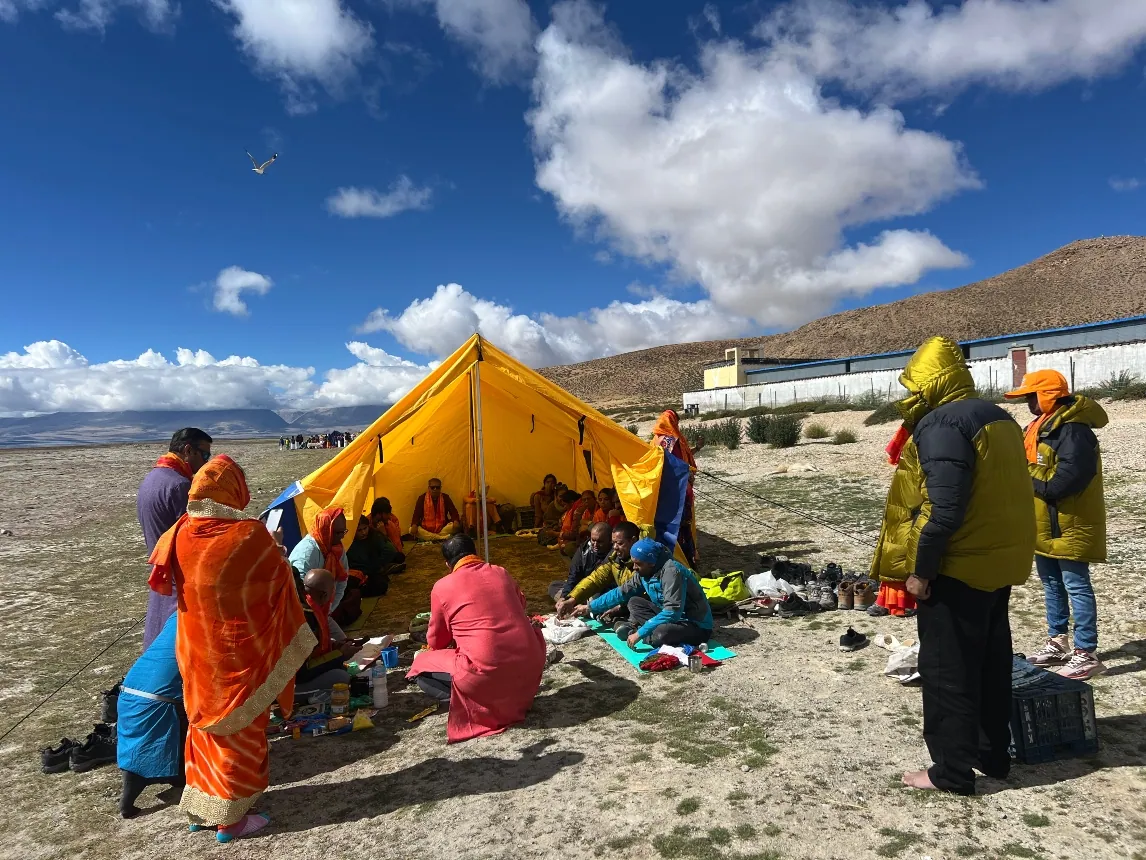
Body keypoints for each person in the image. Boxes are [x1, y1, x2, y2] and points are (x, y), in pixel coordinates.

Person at [870, 337, 1035, 795]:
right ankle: (992, 754)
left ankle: (950, 772)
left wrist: (922, 571)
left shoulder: (943, 423)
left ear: (930, 382)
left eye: (913, 384)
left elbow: (943, 509)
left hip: (958, 566)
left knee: (948, 671)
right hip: (999, 560)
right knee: (991, 661)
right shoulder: (997, 416)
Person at [148, 455, 314, 843]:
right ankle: (231, 821)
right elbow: (276, 580)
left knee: (203, 728)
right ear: (234, 490)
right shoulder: (248, 535)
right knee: (241, 729)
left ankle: (201, 811)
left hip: (194, 650)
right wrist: (275, 549)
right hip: (237, 652)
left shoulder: (178, 532)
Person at [1006, 370, 1108, 680]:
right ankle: (1058, 642)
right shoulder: (1041, 428)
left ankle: (1086, 653)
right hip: (1043, 523)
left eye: (1030, 397)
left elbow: (1065, 483)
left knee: (1076, 586)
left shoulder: (1074, 431)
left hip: (1069, 524)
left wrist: (1020, 477)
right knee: (1051, 585)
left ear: (1048, 395)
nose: (1027, 403)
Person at [406, 534, 546, 743]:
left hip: (486, 673)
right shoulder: (501, 572)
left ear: (447, 564)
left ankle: (474, 701)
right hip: (528, 667)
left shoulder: (442, 587)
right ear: (475, 553)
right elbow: (520, 605)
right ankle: (504, 696)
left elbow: (436, 641)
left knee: (420, 665)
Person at [138, 428, 213, 650]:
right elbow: (195, 538)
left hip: (162, 575)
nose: (206, 463)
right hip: (179, 584)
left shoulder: (152, 478)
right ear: (188, 450)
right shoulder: (181, 486)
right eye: (205, 455)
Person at [574, 537, 712, 648]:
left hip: (694, 624)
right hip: (670, 617)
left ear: (651, 563)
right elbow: (621, 592)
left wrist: (640, 633)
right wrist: (590, 607)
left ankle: (639, 632)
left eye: (638, 564)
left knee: (662, 633)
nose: (634, 568)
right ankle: (642, 631)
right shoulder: (645, 571)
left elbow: (672, 612)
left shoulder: (672, 572)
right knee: (634, 602)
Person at [117, 613, 185, 819]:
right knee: (152, 748)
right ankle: (128, 800)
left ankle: (177, 776)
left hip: (130, 689)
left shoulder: (176, 616)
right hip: (157, 699)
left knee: (138, 745)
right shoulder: (199, 625)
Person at [556, 521, 642, 618]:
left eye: (620, 543)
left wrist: (592, 607)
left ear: (633, 541)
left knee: (632, 604)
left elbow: (626, 591)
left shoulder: (643, 562)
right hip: (616, 599)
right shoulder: (614, 558)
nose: (615, 547)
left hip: (639, 606)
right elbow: (595, 579)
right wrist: (571, 598)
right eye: (614, 543)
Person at [652, 410, 702, 568]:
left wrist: (697, 448)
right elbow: (676, 464)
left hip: (664, 489)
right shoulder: (671, 440)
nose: (677, 426)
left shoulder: (656, 440)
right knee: (682, 522)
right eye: (675, 422)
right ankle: (685, 558)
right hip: (677, 489)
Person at [295, 568, 356, 692]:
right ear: (324, 596)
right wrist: (340, 655)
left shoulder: (310, 609)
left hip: (297, 673)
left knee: (341, 670)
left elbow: (314, 648)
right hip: (287, 685)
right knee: (340, 677)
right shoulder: (304, 619)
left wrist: (333, 646)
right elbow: (303, 672)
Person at [289, 507, 350, 614]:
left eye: (343, 532)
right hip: (306, 610)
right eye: (337, 533)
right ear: (325, 529)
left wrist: (330, 609)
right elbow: (298, 591)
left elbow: (342, 580)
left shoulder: (336, 548)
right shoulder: (307, 552)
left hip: (327, 605)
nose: (341, 537)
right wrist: (317, 615)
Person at [548, 521, 612, 601]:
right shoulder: (584, 550)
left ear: (610, 540)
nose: (595, 545)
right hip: (583, 588)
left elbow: (600, 581)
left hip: (602, 592)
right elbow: (573, 575)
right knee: (554, 586)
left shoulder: (614, 554)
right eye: (593, 540)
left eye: (600, 542)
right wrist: (564, 597)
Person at [346, 515, 402, 597]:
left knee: (381, 585)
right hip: (354, 573)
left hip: (371, 571)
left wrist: (377, 564)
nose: (363, 533)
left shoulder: (374, 536)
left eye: (365, 528)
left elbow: (390, 550)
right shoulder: (348, 542)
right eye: (359, 530)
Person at [559, 490, 597, 557]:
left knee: (568, 547)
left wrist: (587, 524)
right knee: (567, 547)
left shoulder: (598, 511)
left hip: (595, 542)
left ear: (594, 499)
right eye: (584, 500)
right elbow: (579, 530)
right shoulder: (585, 511)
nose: (586, 501)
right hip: (584, 540)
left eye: (588, 499)